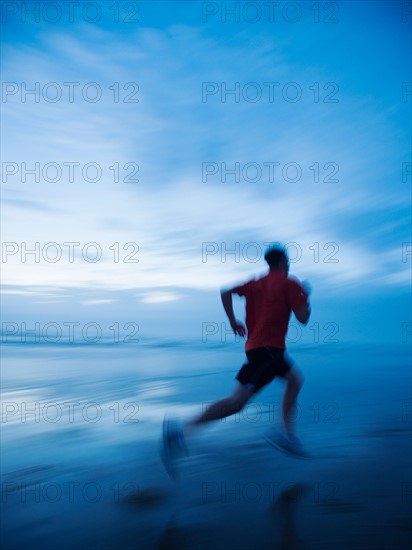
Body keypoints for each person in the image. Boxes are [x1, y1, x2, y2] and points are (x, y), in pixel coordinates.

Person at [162, 244, 312, 476]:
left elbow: (225, 291)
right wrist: (306, 297)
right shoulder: (291, 283)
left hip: (261, 349)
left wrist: (233, 321)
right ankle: (181, 432)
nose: (289, 265)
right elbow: (303, 318)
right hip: (268, 352)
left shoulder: (255, 283)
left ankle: (286, 435)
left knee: (295, 380)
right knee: (236, 403)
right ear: (283, 262)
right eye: (288, 262)